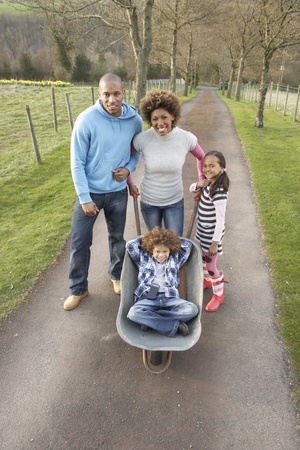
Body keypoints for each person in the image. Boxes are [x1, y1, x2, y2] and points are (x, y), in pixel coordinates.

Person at [63, 73, 143, 311]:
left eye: (116, 93)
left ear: (124, 93)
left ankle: (116, 276)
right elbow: (76, 162)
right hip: (91, 194)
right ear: (99, 94)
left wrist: (128, 169)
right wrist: (85, 198)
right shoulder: (86, 120)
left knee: (117, 239)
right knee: (80, 242)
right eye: (106, 94)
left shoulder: (135, 120)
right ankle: (78, 289)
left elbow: (136, 152)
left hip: (118, 193)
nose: (112, 99)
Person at [128, 89, 209, 236]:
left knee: (174, 244)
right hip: (149, 202)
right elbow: (125, 158)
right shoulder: (142, 139)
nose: (159, 123)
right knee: (156, 246)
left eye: (164, 117)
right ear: (149, 119)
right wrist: (130, 182)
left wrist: (202, 181)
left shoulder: (186, 138)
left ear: (173, 115)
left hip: (174, 202)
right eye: (154, 119)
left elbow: (202, 158)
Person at [126, 227, 199, 337]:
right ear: (151, 250)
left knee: (192, 310)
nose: (161, 255)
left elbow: (188, 245)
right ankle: (174, 326)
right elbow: (130, 245)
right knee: (133, 313)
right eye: (157, 251)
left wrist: (170, 240)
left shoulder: (175, 258)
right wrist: (149, 239)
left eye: (165, 251)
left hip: (169, 298)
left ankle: (150, 320)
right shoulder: (144, 258)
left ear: (170, 250)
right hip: (149, 296)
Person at [190, 151, 230, 312]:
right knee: (203, 259)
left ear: (222, 168)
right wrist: (199, 185)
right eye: (205, 165)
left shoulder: (219, 191)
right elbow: (192, 189)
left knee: (212, 266)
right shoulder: (208, 183)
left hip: (212, 236)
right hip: (202, 232)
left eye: (212, 166)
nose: (207, 169)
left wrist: (215, 242)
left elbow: (221, 220)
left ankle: (218, 295)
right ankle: (207, 281)